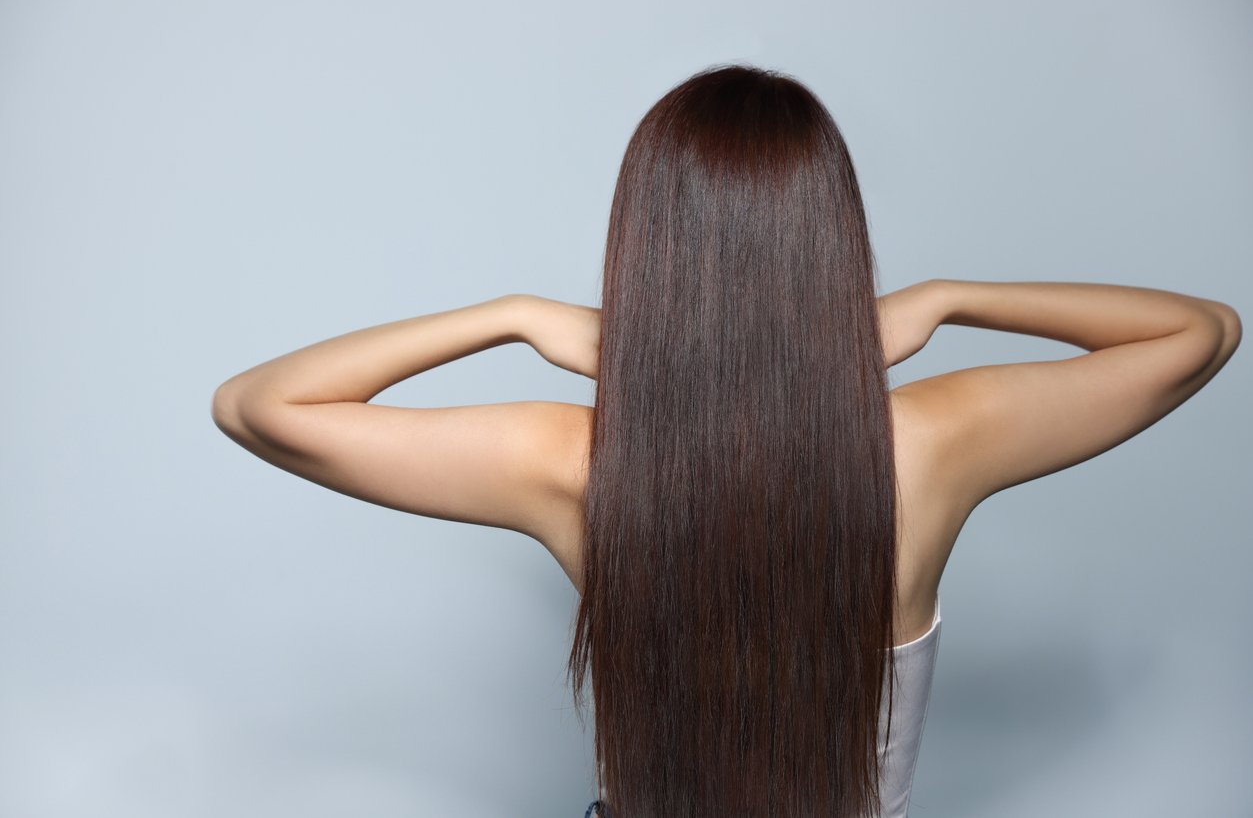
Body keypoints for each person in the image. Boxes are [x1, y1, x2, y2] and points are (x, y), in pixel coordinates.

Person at [210, 64, 1242, 817]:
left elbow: (259, 406)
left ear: (647, 249)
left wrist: (515, 315)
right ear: (828, 243)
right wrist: (944, 300)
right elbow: (1199, 333)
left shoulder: (568, 463)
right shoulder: (935, 439)